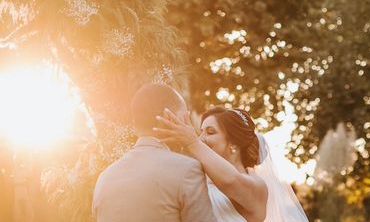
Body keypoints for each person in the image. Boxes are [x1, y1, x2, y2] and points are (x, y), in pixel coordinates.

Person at [155, 106, 309, 222]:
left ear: (234, 143)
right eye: (200, 132)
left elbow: (231, 181)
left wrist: (192, 142)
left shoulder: (258, 187)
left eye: (210, 132)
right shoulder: (197, 181)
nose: (201, 138)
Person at [92, 83, 217, 222]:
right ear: (167, 118)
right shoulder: (187, 170)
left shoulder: (104, 177)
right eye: (183, 118)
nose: (188, 126)